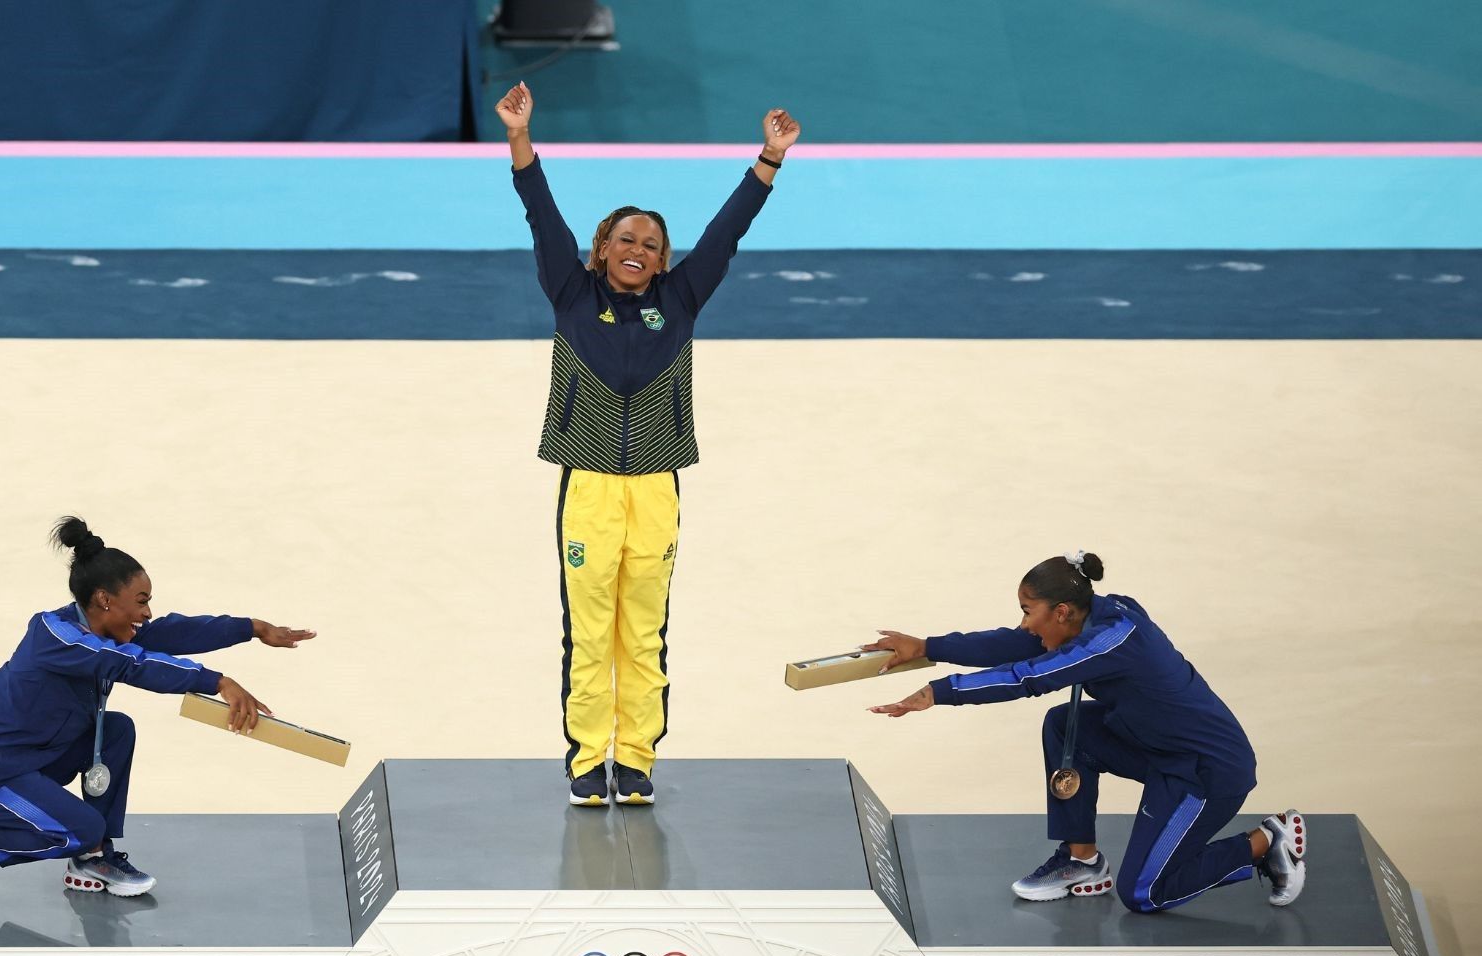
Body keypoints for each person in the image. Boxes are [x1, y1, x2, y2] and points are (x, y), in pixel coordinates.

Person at [494, 81, 800, 807]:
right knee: (590, 629)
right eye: (625, 239)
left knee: (645, 631)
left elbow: (726, 233)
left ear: (664, 263)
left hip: (658, 486)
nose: (638, 249)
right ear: (601, 250)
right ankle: (583, 760)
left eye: (651, 245)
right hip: (590, 489)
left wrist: (769, 159)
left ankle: (634, 761)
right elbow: (541, 217)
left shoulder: (682, 300)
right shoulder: (570, 293)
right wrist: (519, 140)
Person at [865, 551, 1307, 912]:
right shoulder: (1084, 618)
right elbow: (1014, 644)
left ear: (1060, 611)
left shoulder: (1112, 639)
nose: (1024, 623)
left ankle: (1266, 841)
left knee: (1143, 893)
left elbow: (1027, 677)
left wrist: (939, 693)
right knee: (1064, 725)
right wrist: (927, 647)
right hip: (1155, 749)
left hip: (1206, 772)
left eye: (1027, 611)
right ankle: (1082, 861)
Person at [0, 516, 315, 897]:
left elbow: (172, 631)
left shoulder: (106, 628)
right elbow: (129, 664)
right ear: (104, 600)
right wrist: (219, 682)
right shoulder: (54, 634)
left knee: (116, 729)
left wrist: (252, 628)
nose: (146, 612)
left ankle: (93, 858)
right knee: (80, 830)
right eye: (141, 601)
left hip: (29, 758)